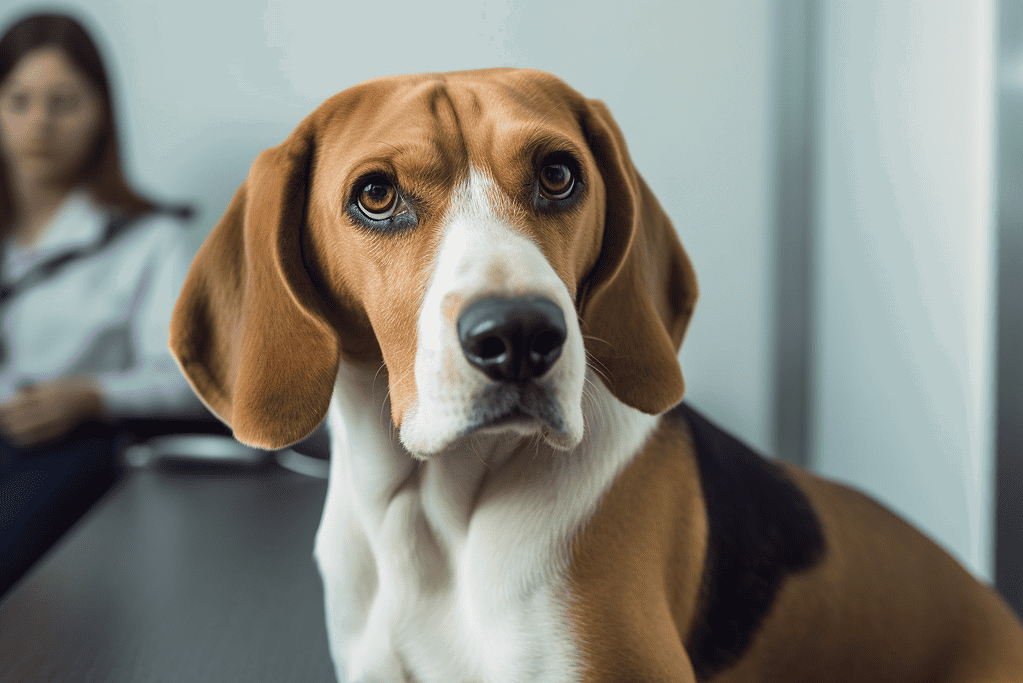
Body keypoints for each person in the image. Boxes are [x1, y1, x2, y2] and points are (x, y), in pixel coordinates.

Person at [0, 12, 205, 595]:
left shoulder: (150, 240)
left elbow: (194, 379)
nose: (39, 123)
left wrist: (91, 395)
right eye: (18, 100)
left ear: (100, 118)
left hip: (66, 460)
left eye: (63, 103)